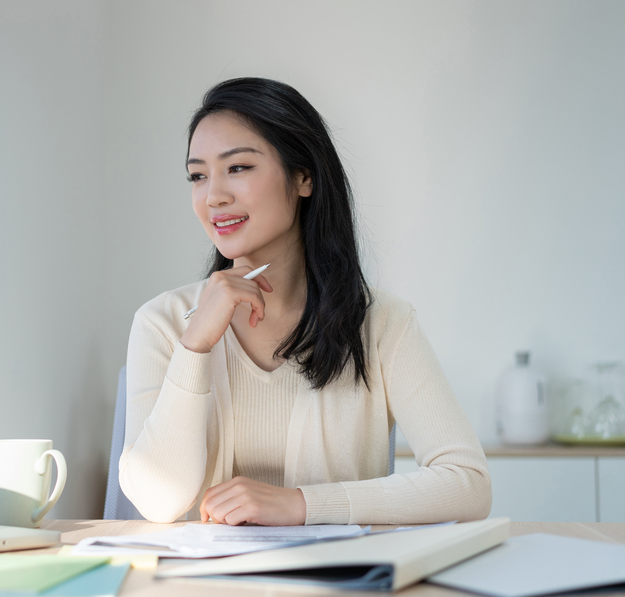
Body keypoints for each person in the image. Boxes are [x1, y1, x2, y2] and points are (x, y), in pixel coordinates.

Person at [118, 77, 491, 526]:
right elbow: (158, 503)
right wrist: (195, 344)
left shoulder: (383, 324)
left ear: (304, 177)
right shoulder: (162, 323)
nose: (213, 195)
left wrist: (301, 505)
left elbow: (468, 485)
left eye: (238, 168)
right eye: (198, 175)